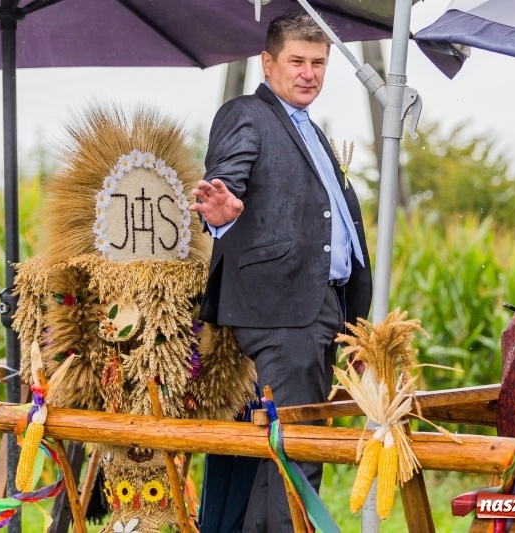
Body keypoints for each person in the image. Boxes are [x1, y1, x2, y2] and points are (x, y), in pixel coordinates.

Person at [189, 11, 372, 533]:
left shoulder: (309, 128)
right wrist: (223, 206)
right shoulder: (248, 113)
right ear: (268, 63)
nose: (309, 73)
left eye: (318, 63)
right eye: (297, 61)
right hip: (281, 309)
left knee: (287, 455)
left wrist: (353, 321)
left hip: (322, 310)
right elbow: (229, 174)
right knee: (296, 454)